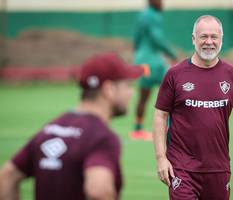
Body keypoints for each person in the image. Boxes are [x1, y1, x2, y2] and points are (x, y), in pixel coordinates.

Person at [152, 15, 233, 200]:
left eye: (214, 37)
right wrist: (161, 158)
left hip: (218, 169)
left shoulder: (232, 75)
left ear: (221, 39)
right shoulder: (175, 74)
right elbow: (160, 115)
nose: (209, 42)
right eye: (203, 37)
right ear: (193, 39)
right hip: (182, 168)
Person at [0, 52, 144, 200]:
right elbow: (98, 192)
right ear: (109, 89)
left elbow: (7, 177)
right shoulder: (102, 137)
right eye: (127, 85)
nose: (131, 93)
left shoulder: (51, 128)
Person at [129, 0, 177, 141]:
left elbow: (136, 39)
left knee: (143, 96)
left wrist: (138, 56)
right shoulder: (154, 16)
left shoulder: (142, 15)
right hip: (154, 62)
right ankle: (170, 129)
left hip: (141, 60)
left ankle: (137, 130)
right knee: (173, 93)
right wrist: (172, 54)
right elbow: (157, 39)